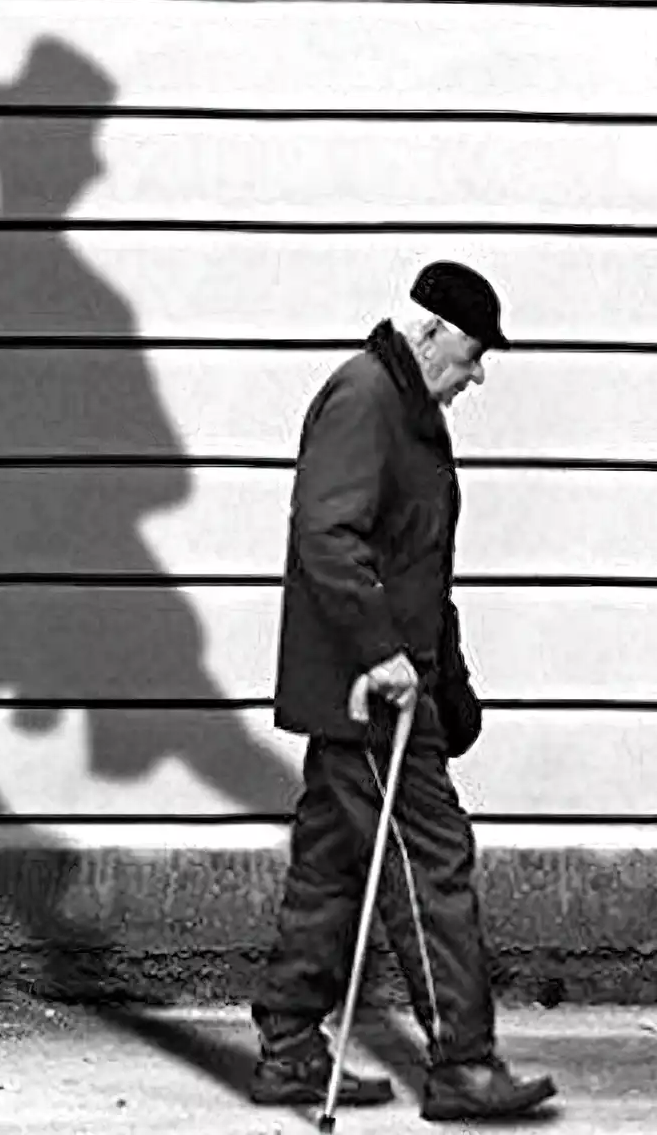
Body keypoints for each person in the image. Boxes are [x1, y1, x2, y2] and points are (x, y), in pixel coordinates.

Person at [247, 263, 558, 1120]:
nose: (478, 375)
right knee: (431, 863)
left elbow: (419, 563)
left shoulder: (411, 412)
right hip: (371, 694)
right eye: (472, 354)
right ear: (427, 334)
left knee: (332, 867)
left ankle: (288, 1047)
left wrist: (452, 684)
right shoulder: (365, 400)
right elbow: (327, 534)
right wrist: (383, 653)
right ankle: (462, 1065)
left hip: (390, 687)